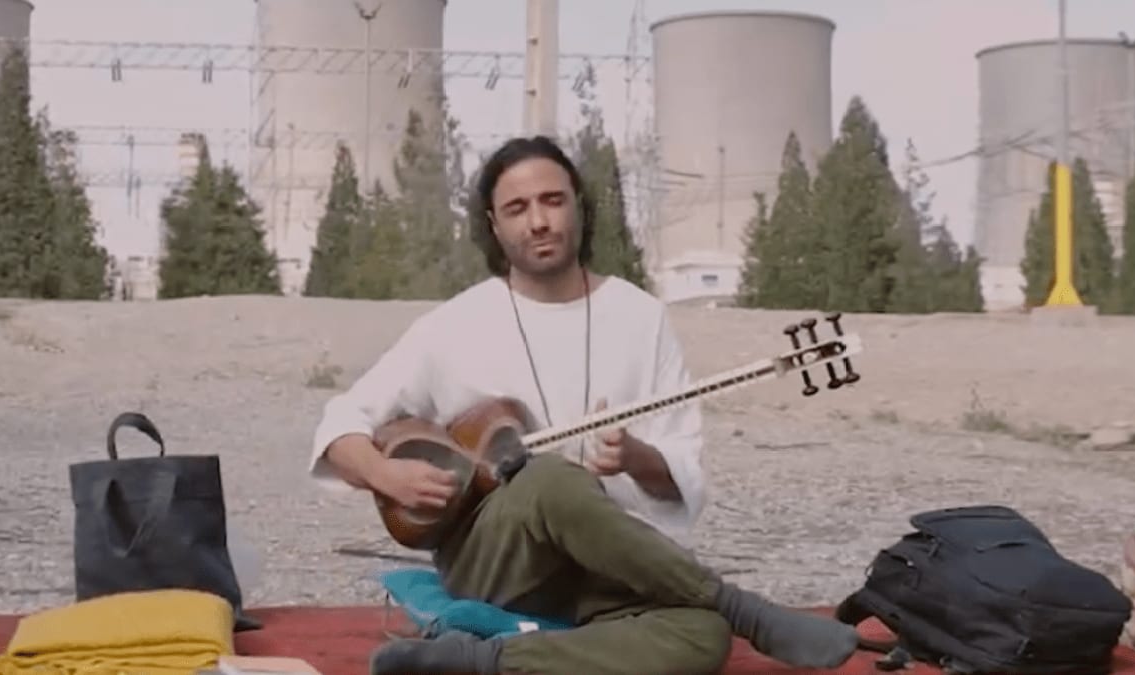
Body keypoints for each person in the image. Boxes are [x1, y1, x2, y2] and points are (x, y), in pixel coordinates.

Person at [307, 135, 859, 675]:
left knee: (701, 635)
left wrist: (636, 457)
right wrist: (385, 474)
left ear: (579, 206)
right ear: (495, 226)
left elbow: (681, 472)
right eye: (517, 208)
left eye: (552, 200)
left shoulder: (642, 318)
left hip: (608, 569)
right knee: (550, 479)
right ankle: (745, 609)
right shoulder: (452, 325)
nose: (538, 221)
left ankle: (479, 661)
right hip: (497, 562)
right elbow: (341, 424)